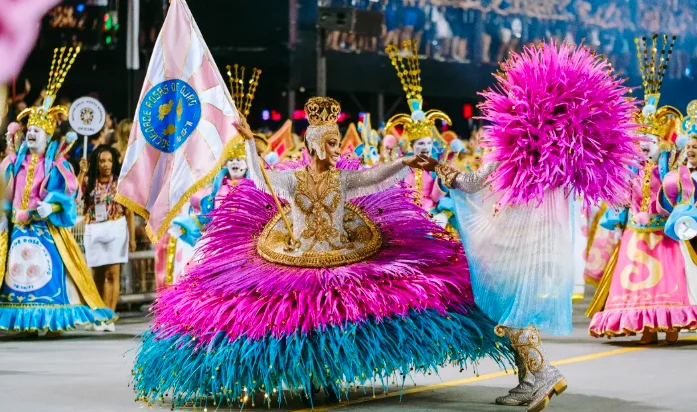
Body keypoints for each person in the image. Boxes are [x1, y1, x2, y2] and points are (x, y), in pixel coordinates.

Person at [131, 97, 512, 408]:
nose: (335, 149)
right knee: (301, 324)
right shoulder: (291, 180)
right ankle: (309, 376)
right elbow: (261, 174)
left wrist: (404, 161)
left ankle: (327, 377)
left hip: (340, 259)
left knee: (332, 322)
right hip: (296, 261)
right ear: (313, 144)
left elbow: (374, 176)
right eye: (328, 143)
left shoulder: (343, 178)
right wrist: (248, 140)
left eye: (336, 143)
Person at [427, 41, 639, 412]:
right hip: (546, 245)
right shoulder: (567, 151)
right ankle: (527, 382)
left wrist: (445, 174)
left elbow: (474, 183)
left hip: (515, 244)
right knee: (519, 311)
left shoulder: (513, 143)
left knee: (513, 313)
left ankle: (543, 374)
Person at [587, 36, 697, 344]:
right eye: (641, 145)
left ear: (660, 144)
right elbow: (618, 201)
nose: (644, 149)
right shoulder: (629, 173)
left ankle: (671, 324)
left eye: (649, 144)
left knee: (668, 282)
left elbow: (683, 197)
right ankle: (645, 325)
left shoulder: (671, 172)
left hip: (663, 234)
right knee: (635, 285)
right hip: (635, 233)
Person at [0, 47, 116, 337]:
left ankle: (50, 322)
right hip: (17, 229)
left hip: (44, 230)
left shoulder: (58, 165)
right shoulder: (14, 162)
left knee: (49, 277)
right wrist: (8, 214)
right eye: (29, 130)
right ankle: (24, 324)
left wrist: (50, 207)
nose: (31, 133)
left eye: (37, 131)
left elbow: (66, 195)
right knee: (16, 277)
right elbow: (5, 193)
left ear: (49, 135)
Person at [385, 40, 453, 229]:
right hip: (404, 219)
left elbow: (446, 197)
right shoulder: (401, 166)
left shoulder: (437, 167)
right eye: (420, 145)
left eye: (428, 144)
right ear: (412, 146)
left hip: (431, 219)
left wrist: (442, 214)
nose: (424, 148)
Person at [78, 145, 136, 331]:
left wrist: (132, 237)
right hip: (94, 229)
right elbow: (74, 196)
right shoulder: (88, 181)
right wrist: (81, 172)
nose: (106, 164)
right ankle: (97, 314)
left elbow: (129, 212)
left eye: (109, 160)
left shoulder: (120, 183)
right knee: (96, 275)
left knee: (113, 273)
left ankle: (109, 317)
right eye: (102, 160)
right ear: (97, 162)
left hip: (116, 228)